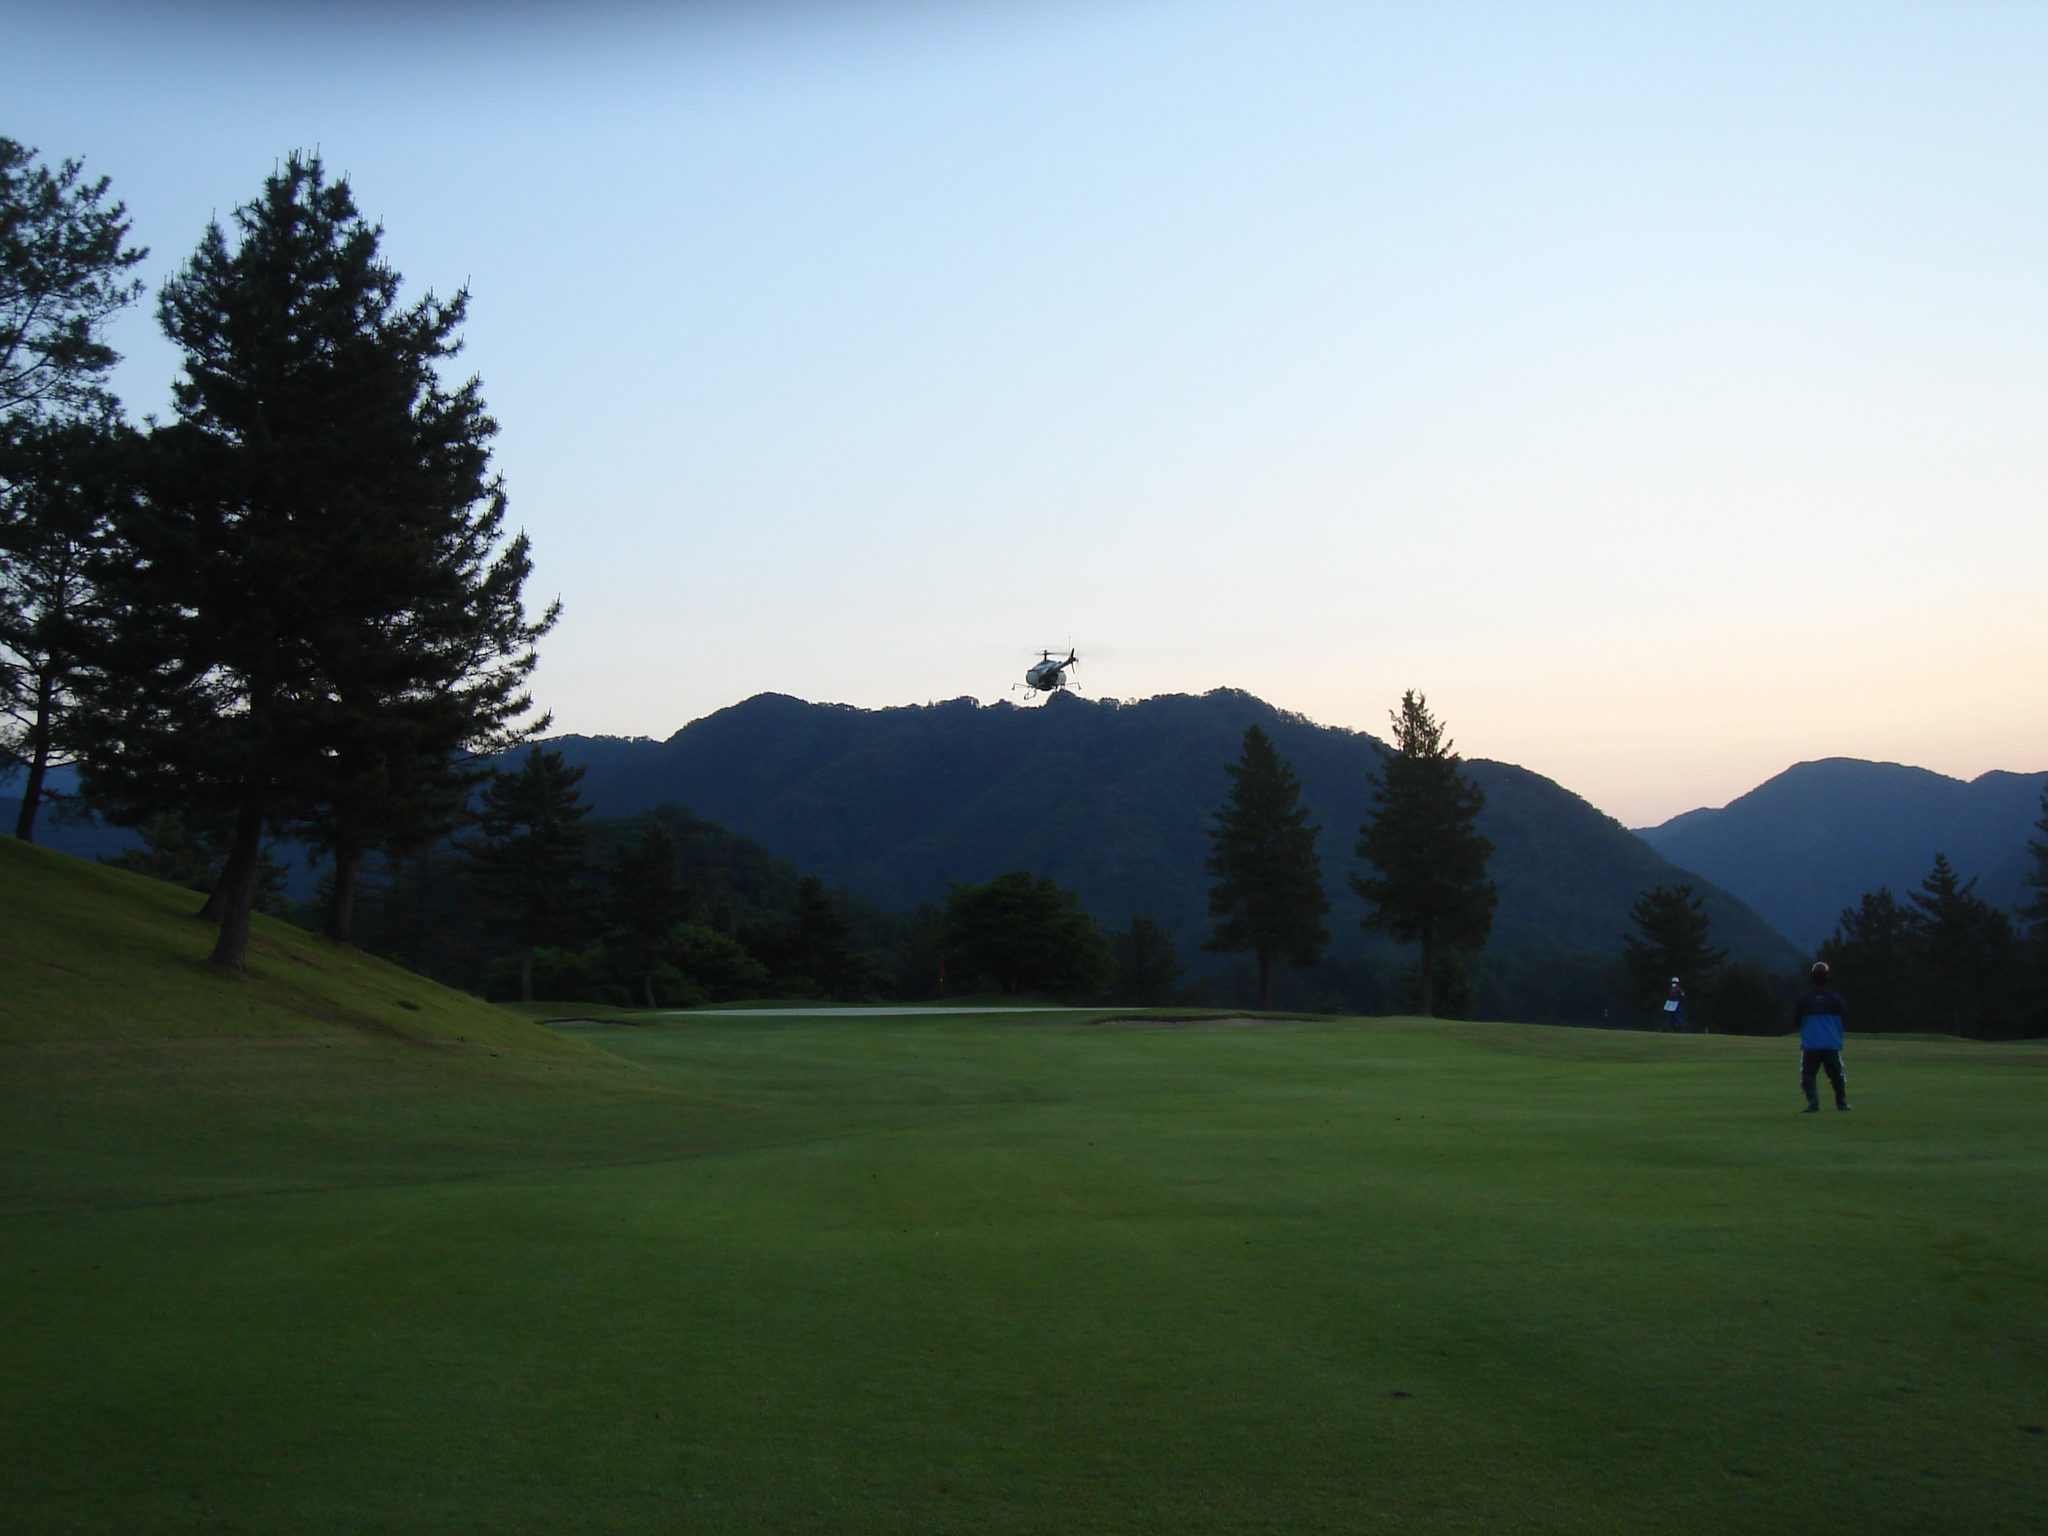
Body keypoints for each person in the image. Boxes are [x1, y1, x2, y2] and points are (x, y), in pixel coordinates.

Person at [1793, 961, 1851, 1112]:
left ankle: (1813, 1104)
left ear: (1812, 978)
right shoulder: (1836, 998)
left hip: (1811, 1043)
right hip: (1831, 1042)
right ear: (1827, 978)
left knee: (1808, 1075)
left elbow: (1797, 1021)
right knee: (1836, 1075)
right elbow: (1845, 1017)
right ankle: (1841, 1103)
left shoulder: (1804, 999)